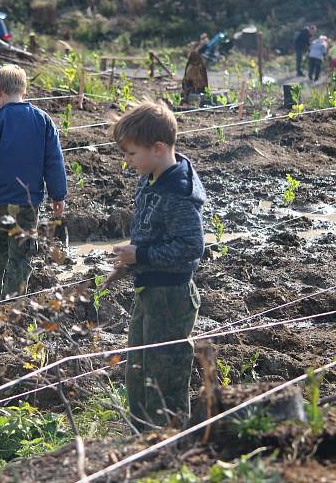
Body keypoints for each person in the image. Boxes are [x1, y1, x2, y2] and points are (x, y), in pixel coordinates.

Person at [102, 100, 205, 431]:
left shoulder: (178, 193)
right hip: (149, 290)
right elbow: (149, 233)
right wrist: (129, 264)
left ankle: (168, 440)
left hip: (171, 297)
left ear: (158, 148)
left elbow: (191, 248)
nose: (127, 161)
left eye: (132, 154)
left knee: (164, 374)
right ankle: (140, 436)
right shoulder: (151, 179)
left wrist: (141, 256)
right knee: (138, 367)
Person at [0, 64, 67, 306]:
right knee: (22, 253)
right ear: (24, 93)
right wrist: (58, 195)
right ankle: (13, 306)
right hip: (28, 203)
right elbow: (54, 161)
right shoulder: (43, 121)